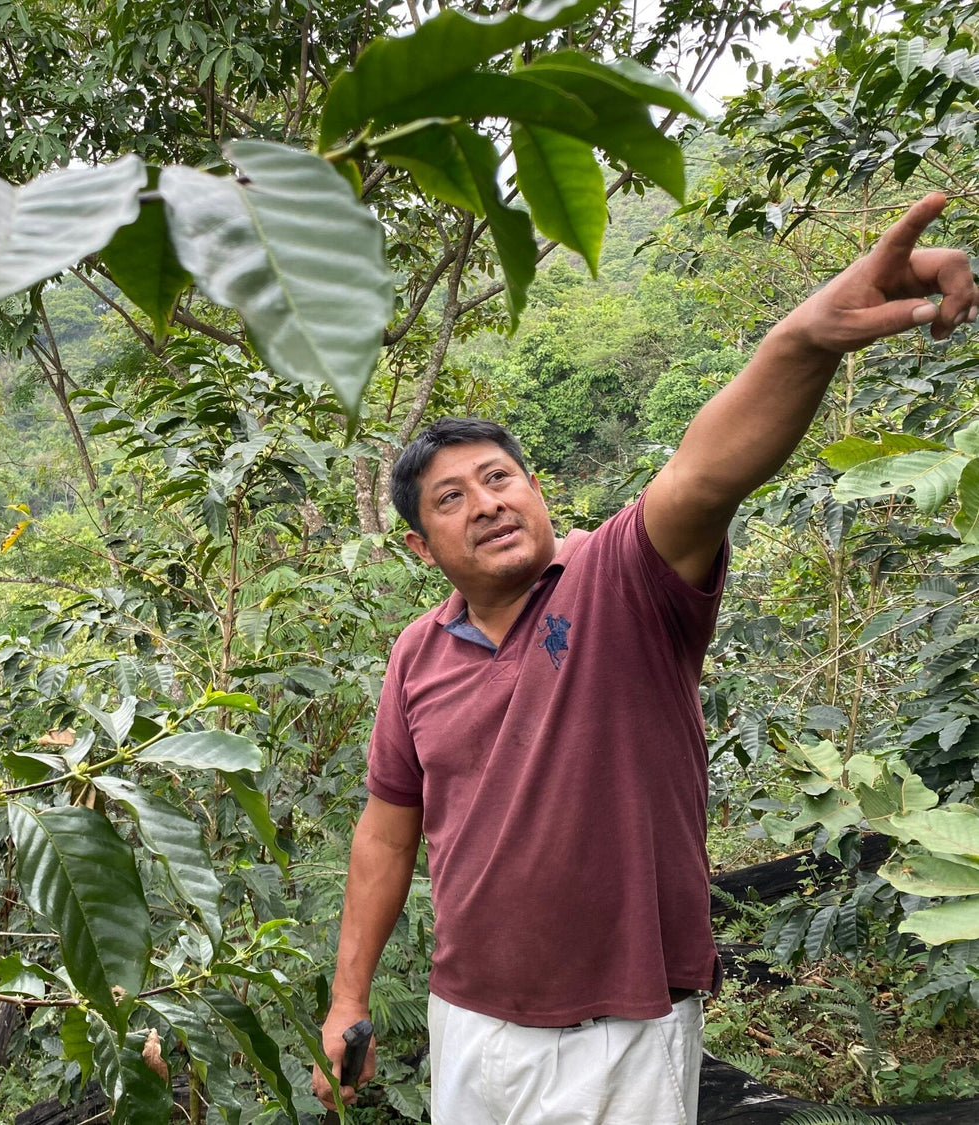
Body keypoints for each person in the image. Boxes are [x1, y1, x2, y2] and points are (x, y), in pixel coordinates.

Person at [311, 193, 979, 1124]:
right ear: (421, 546)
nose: (488, 503)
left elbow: (705, 471)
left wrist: (804, 338)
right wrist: (349, 999)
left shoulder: (620, 577)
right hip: (469, 1019)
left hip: (623, 1023)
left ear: (536, 487)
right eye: (452, 498)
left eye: (500, 477)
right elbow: (386, 832)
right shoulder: (417, 656)